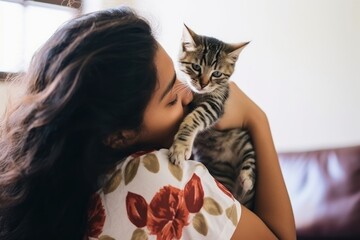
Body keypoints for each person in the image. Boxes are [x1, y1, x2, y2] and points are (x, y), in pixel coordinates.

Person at [0, 6, 296, 240]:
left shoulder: (44, 184)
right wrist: (256, 118)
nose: (188, 98)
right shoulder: (154, 179)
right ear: (118, 135)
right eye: (170, 100)